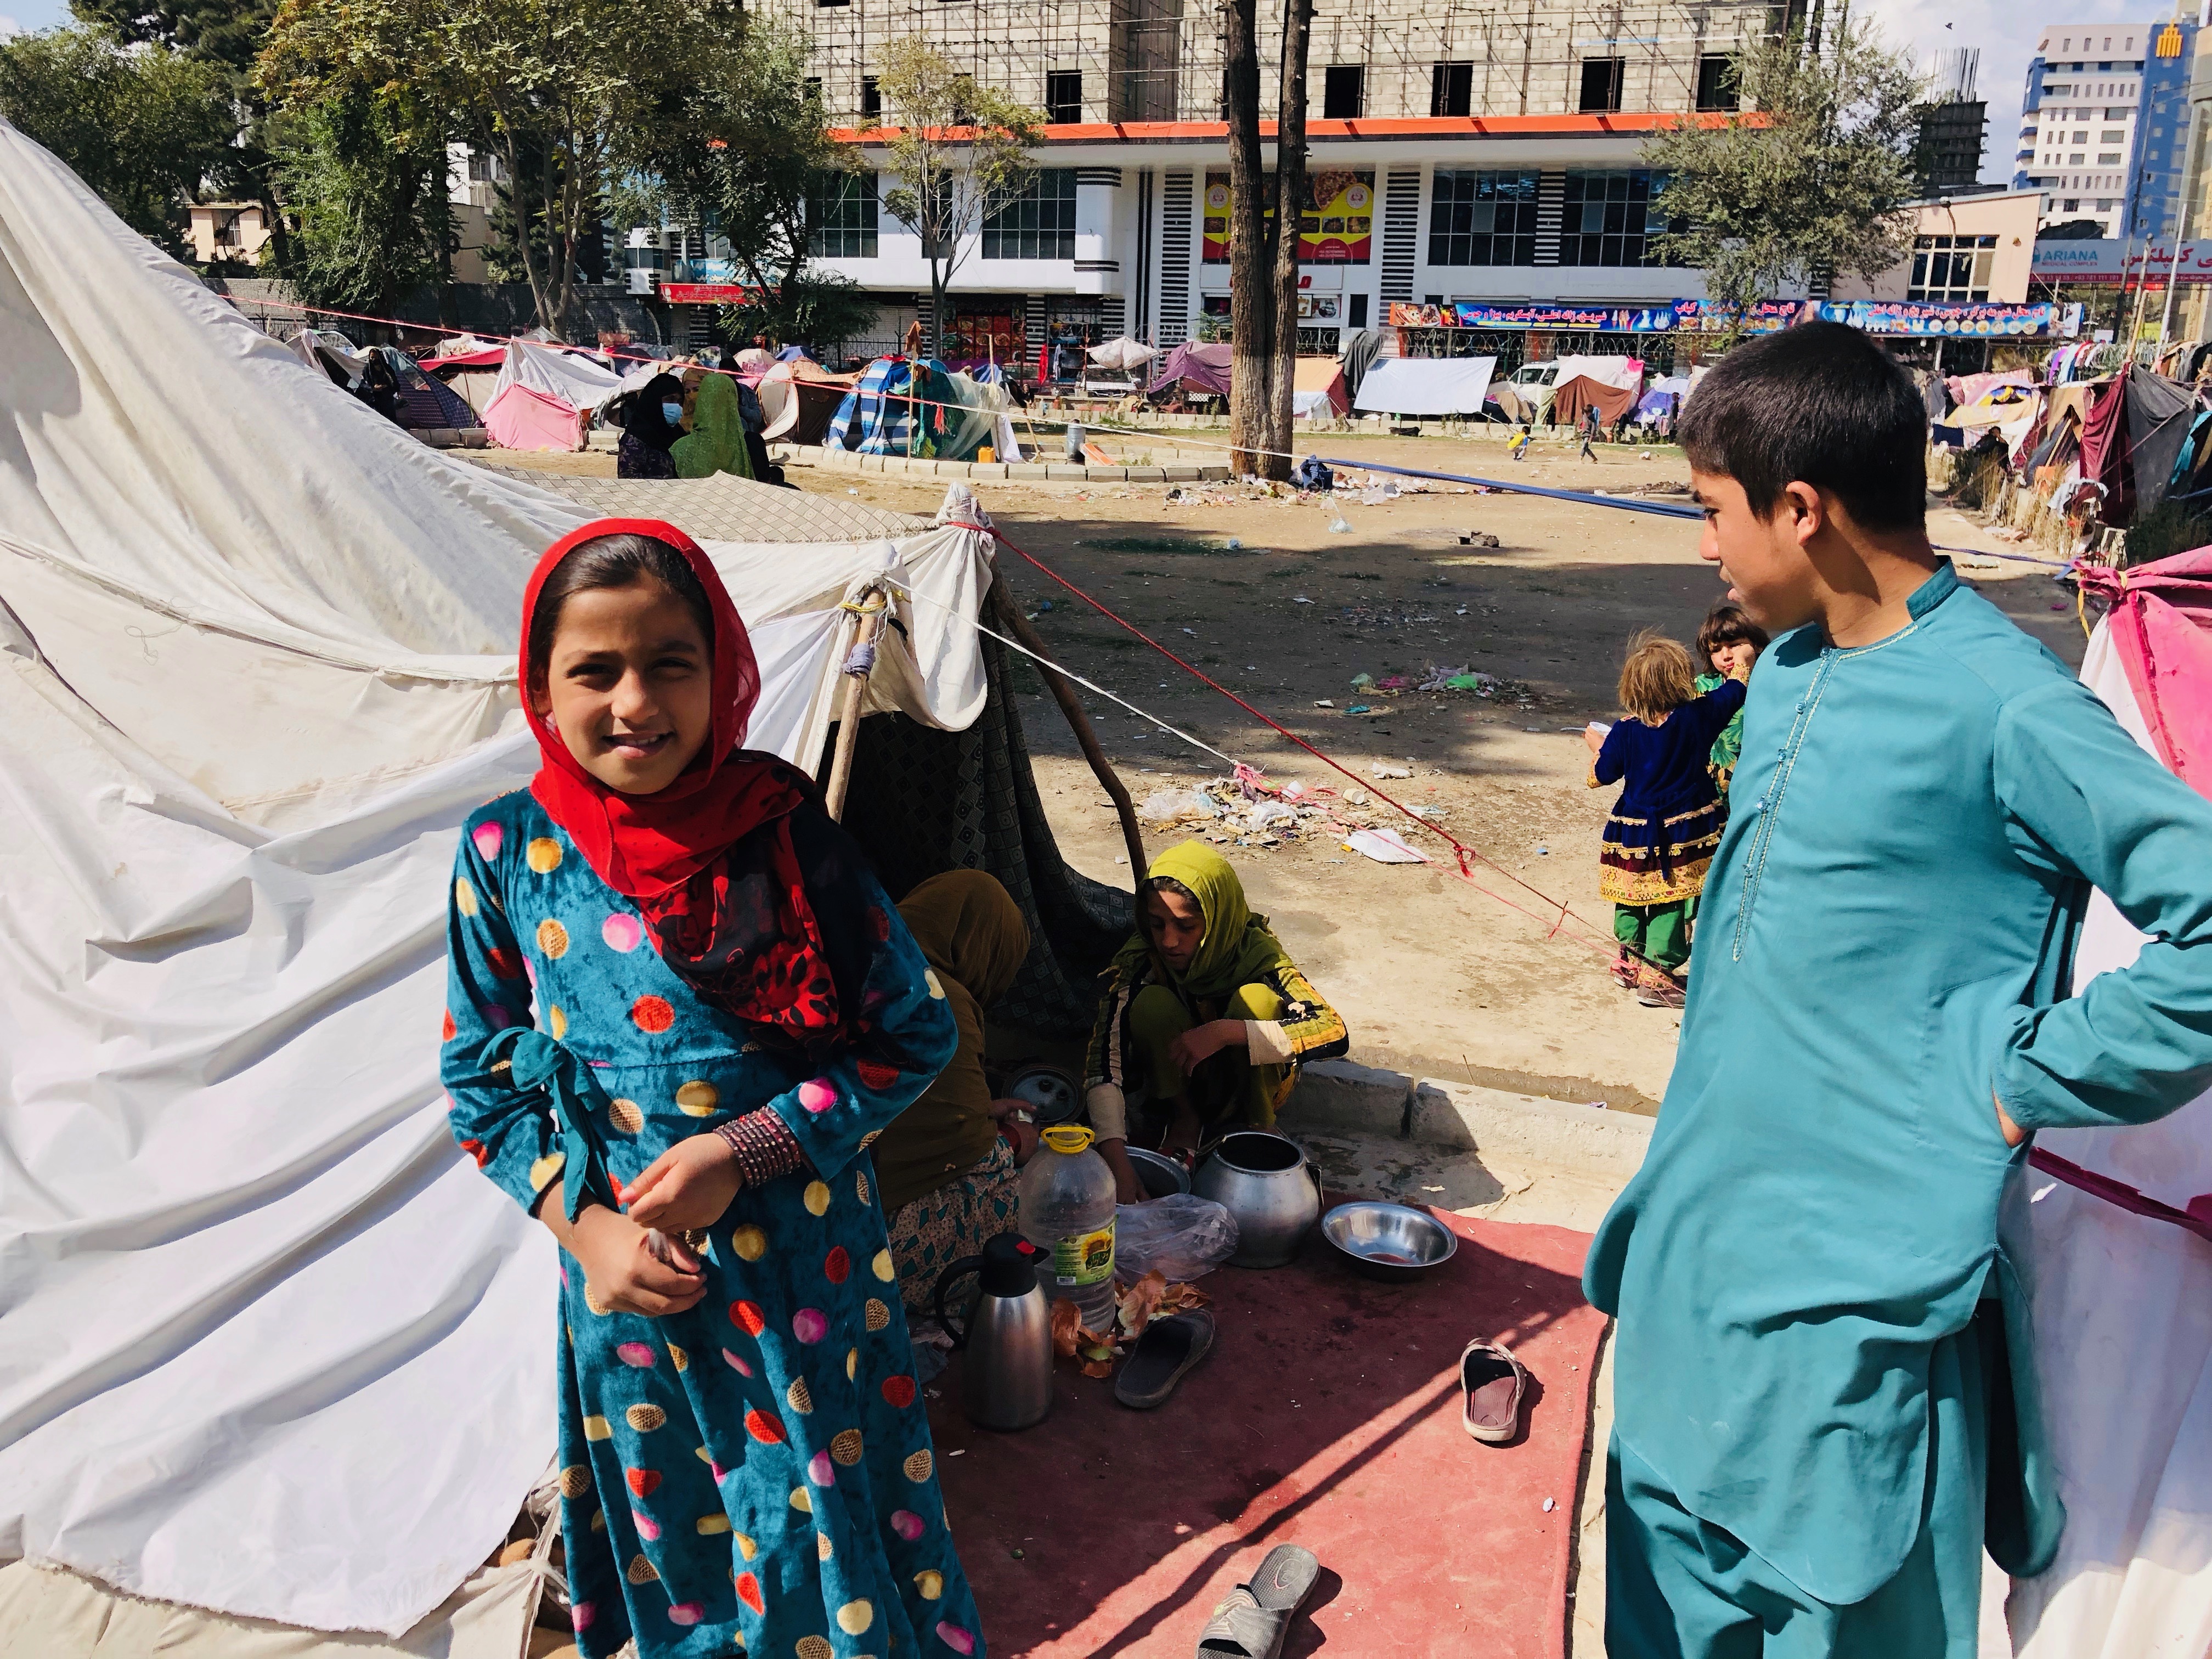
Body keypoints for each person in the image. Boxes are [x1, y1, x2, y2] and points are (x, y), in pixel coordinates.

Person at [1588, 321, 2212, 1659]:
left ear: (1801, 509)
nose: (1704, 548)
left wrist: (2018, 1081)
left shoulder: (2007, 709)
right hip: (1694, 1291)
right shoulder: (1793, 672)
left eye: (1713, 513)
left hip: (1858, 1332)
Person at [441, 522, 984, 1659]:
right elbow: (480, 1087)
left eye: (669, 664)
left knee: (819, 1544)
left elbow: (911, 1035)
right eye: (595, 670)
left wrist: (748, 1150)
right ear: (540, 687)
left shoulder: (782, 832)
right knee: (675, 1551)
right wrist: (584, 1232)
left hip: (810, 1282)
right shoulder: (504, 849)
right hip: (632, 1300)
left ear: (722, 667)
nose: (635, 702)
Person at [1084, 842, 1348, 1199]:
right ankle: (1185, 1119)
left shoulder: (1258, 956)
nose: (1169, 941)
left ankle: (1257, 1123)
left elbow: (1332, 1032)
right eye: (1157, 924)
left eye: (1186, 926)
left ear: (1216, 921)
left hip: (1253, 1084)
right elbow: (1104, 1056)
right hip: (1184, 1077)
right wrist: (1115, 1158)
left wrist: (1225, 1033)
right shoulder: (1143, 958)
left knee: (1257, 1000)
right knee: (1150, 1005)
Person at [876, 870, 1042, 1311]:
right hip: (878, 1251)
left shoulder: (862, 963)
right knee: (1040, 1193)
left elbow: (902, 1113)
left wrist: (981, 1108)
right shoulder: (938, 1001)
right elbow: (970, 1153)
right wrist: (1013, 1140)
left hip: (814, 1217)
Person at [1582, 630, 1745, 1008]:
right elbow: (1734, 692)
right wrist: (1743, 660)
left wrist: (1600, 748)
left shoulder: (1625, 730)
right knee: (1671, 898)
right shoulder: (1697, 717)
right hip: (1683, 831)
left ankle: (1629, 960)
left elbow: (1600, 776)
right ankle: (1659, 977)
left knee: (1632, 895)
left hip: (1632, 831)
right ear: (1680, 680)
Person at [1690, 602, 1769, 798]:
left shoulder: (1770, 686)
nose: (1726, 656)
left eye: (1735, 646)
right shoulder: (1700, 688)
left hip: (1755, 792)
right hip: (1708, 794)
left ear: (1757, 645)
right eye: (1716, 649)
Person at [670, 371, 757, 481]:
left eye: (697, 390)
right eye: (687, 392)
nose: (692, 396)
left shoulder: (680, 448)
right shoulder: (678, 434)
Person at [616, 373, 686, 479]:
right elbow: (629, 479)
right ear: (654, 400)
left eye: (680, 401)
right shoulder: (635, 439)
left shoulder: (679, 434)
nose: (676, 406)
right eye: (670, 400)